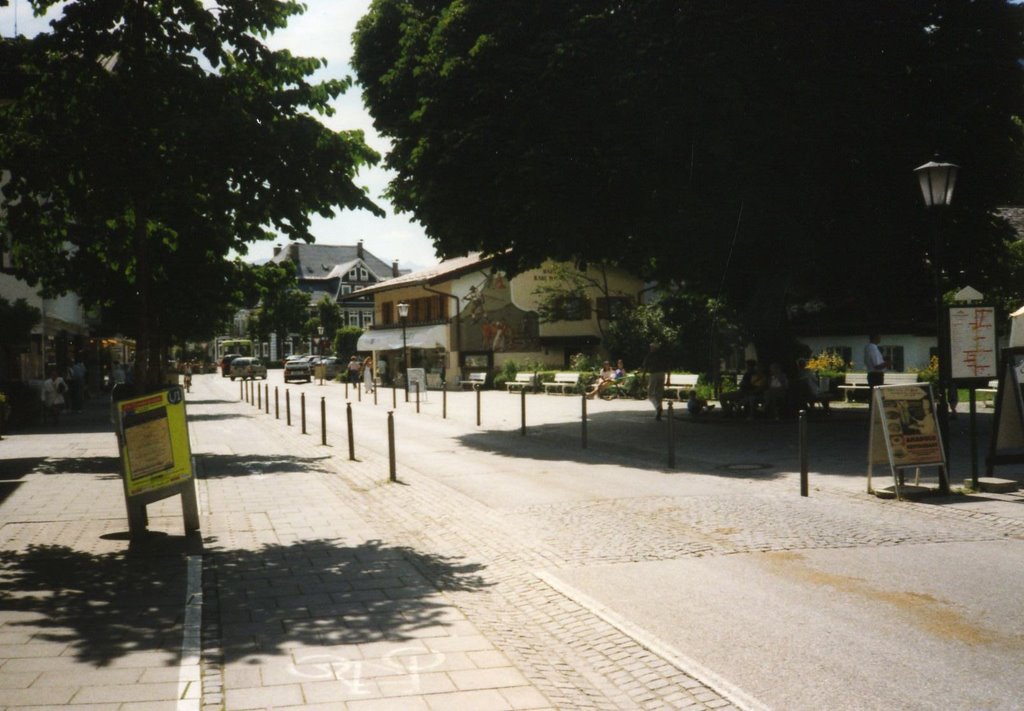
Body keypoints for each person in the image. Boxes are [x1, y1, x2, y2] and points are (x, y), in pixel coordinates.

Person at [642, 343, 671, 420]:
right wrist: (668, 379)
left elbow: (645, 367)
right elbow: (668, 367)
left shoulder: (649, 356)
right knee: (659, 393)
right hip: (662, 374)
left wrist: (643, 377)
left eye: (651, 347)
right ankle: (658, 413)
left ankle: (658, 407)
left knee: (650, 394)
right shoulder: (663, 356)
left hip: (653, 374)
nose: (650, 349)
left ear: (654, 348)